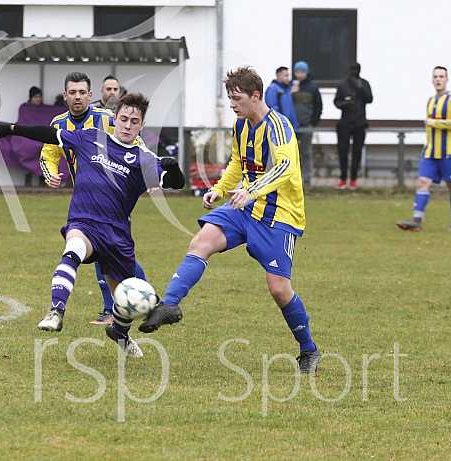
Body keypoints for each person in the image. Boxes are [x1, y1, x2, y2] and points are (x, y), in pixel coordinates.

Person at [119, 65, 321, 375]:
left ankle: (308, 351)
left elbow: (285, 169)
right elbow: (238, 164)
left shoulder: (279, 126)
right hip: (244, 208)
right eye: (229, 98)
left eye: (236, 98)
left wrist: (250, 191)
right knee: (201, 241)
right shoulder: (241, 126)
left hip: (279, 216)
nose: (231, 104)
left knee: (279, 289)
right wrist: (219, 189)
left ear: (256, 96)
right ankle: (169, 304)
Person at [0, 93, 186, 357]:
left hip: (117, 233)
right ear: (114, 119)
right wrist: (12, 129)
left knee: (125, 293)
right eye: (124, 119)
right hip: (84, 220)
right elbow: (51, 134)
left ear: (141, 126)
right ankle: (56, 311)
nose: (128, 125)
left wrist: (172, 167)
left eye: (134, 121)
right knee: (73, 247)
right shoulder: (91, 137)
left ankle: (119, 332)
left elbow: (176, 183)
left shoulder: (143, 158)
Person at [40, 72, 148, 326]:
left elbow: (137, 143)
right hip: (86, 199)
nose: (77, 97)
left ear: (90, 95)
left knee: (109, 254)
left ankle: (122, 306)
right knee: (110, 255)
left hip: (114, 198)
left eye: (82, 93)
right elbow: (48, 153)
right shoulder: (58, 123)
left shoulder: (106, 119)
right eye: (72, 93)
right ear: (65, 95)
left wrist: (148, 175)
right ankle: (133, 303)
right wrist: (51, 175)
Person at [397, 66, 451, 232]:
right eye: (435, 76)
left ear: (447, 79)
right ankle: (416, 220)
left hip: (449, 152)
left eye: (441, 76)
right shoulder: (431, 100)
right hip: (430, 152)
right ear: (432, 79)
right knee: (422, 182)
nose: (438, 79)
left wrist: (435, 122)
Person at [333, 62, 373, 190]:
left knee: (357, 151)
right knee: (343, 151)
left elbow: (369, 99)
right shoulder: (343, 84)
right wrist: (344, 103)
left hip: (360, 123)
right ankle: (343, 178)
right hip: (345, 122)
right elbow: (336, 101)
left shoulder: (364, 84)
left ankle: (354, 179)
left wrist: (360, 88)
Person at [290, 61, 323, 187]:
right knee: (292, 152)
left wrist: (313, 122)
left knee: (306, 152)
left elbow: (318, 105)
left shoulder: (313, 87)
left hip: (306, 124)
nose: (300, 75)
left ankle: (307, 178)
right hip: (293, 125)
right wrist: (291, 94)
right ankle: (292, 178)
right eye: (297, 72)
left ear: (306, 72)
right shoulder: (291, 87)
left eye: (302, 72)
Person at [264, 66, 299, 132]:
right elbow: (272, 108)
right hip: (281, 128)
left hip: (290, 127)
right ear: (278, 76)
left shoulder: (287, 89)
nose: (288, 78)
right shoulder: (273, 89)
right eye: (286, 76)